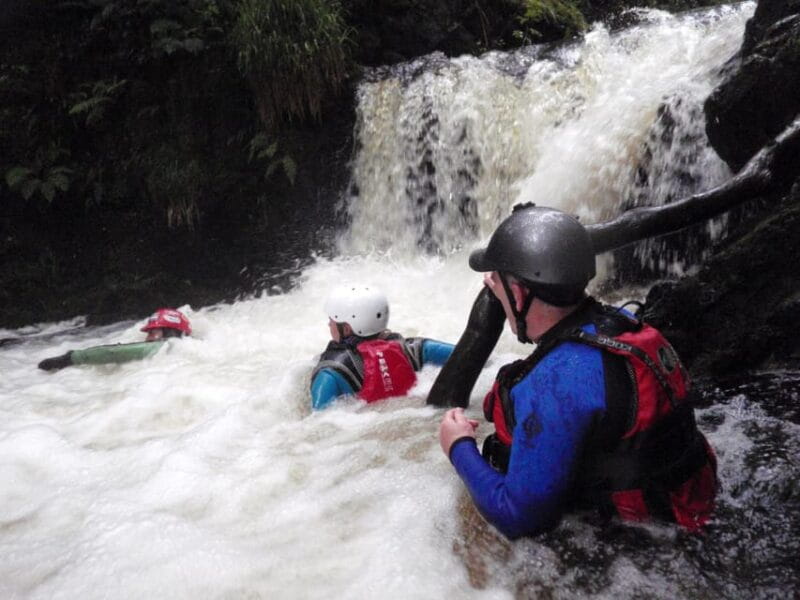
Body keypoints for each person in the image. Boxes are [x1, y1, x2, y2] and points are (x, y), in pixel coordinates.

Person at [438, 204, 717, 538]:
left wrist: (459, 447)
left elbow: (518, 518)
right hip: (688, 511)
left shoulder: (557, 380)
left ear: (517, 293)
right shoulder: (625, 326)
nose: (492, 289)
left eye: (495, 283)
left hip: (640, 548)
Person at [310, 285, 454, 410]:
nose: (329, 325)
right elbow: (469, 354)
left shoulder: (330, 374)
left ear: (346, 329)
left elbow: (319, 424)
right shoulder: (417, 350)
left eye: (332, 320)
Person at [37, 308, 192, 371]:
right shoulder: (188, 349)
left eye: (154, 332)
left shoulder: (164, 346)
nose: (148, 337)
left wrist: (70, 358)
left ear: (170, 332)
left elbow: (114, 353)